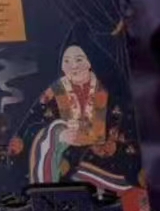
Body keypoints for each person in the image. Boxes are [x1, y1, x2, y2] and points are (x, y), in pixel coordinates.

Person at [8, 36, 141, 194]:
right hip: (63, 161)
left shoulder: (108, 93)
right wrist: (57, 136)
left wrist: (112, 145)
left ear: (89, 64)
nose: (74, 66)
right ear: (63, 67)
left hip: (101, 166)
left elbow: (127, 127)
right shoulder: (53, 94)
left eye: (79, 60)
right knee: (56, 129)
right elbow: (33, 126)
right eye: (67, 62)